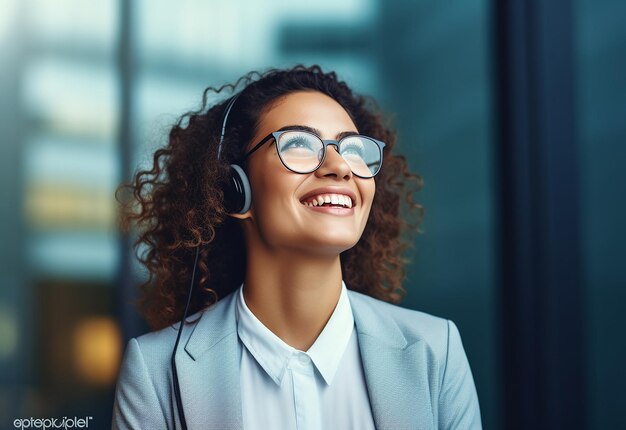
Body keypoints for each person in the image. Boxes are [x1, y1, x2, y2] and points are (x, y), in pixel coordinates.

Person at [112, 65, 482, 429]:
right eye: (299, 144)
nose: (340, 166)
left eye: (354, 150)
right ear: (234, 188)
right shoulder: (155, 370)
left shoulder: (436, 351)